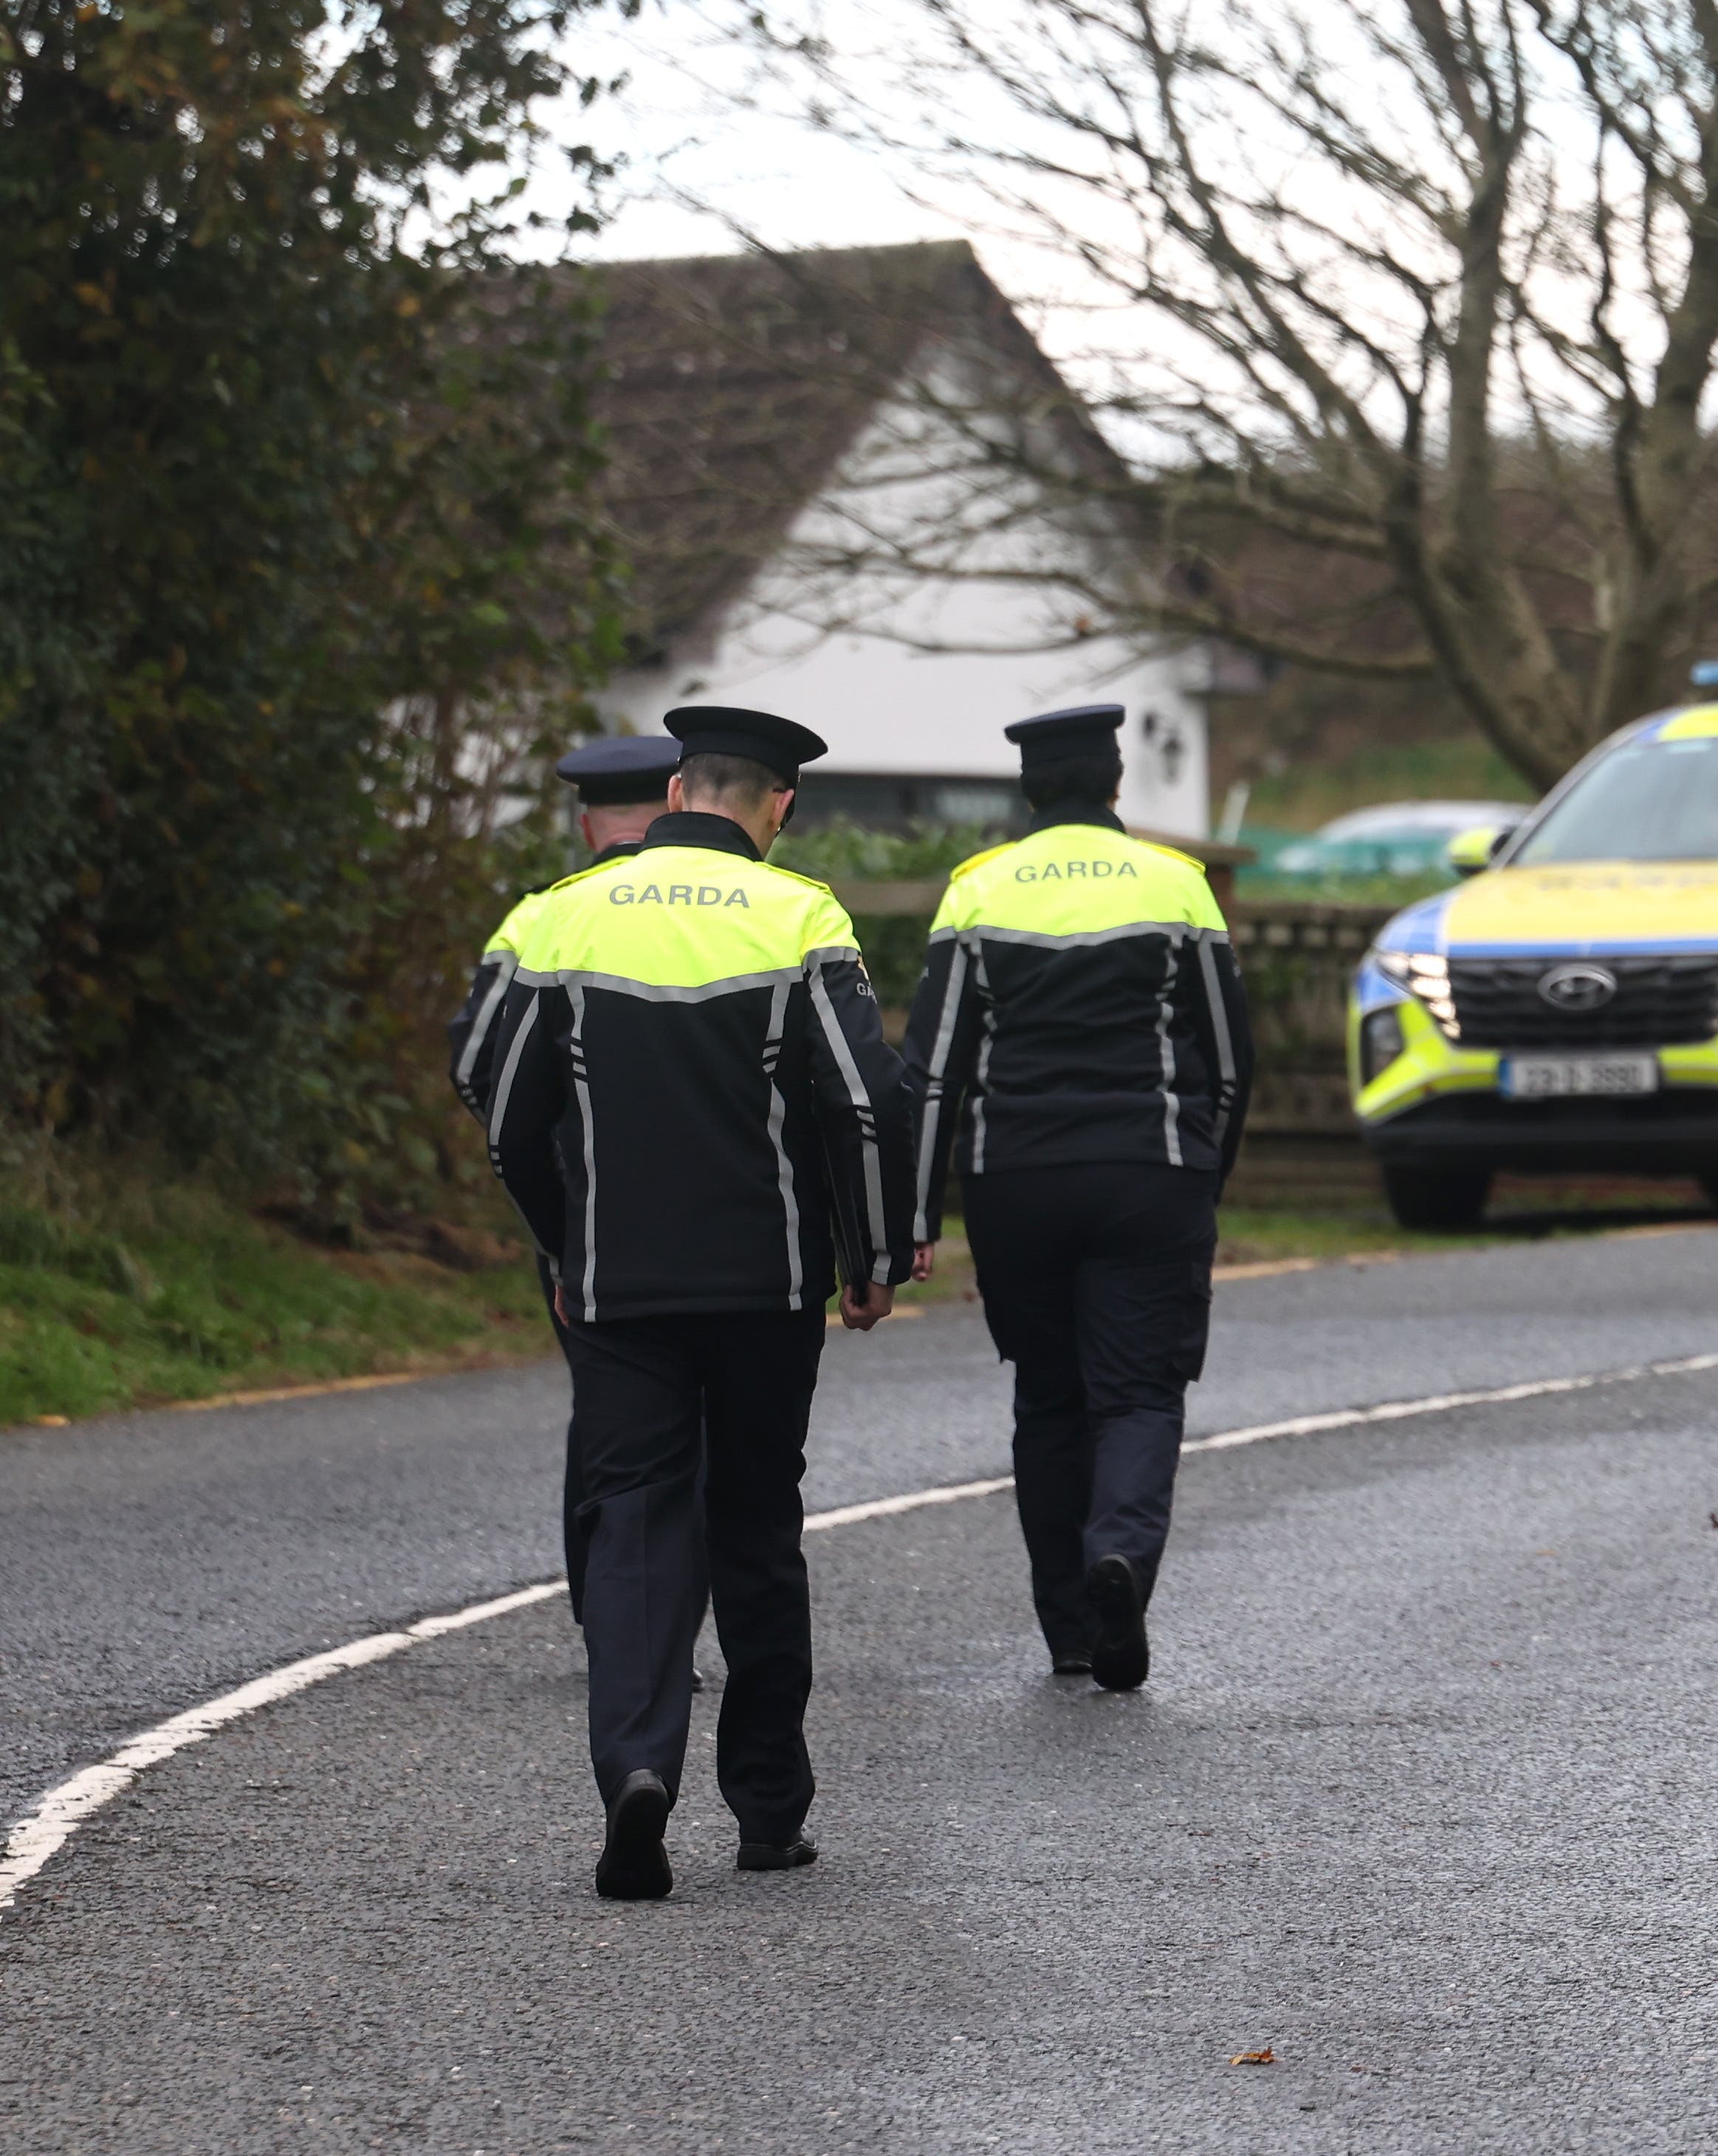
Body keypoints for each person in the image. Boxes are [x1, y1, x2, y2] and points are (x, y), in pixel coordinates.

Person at [455, 706, 918, 1901]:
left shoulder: (559, 915)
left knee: (634, 1513)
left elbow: (495, 1093)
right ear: (778, 805)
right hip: (766, 1286)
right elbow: (865, 1099)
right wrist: (874, 1250)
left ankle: (635, 1768)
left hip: (616, 1286)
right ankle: (767, 1810)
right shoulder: (799, 912)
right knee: (757, 1520)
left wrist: (565, 1236)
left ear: (673, 790)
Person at [907, 703, 1249, 1692]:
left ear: (1027, 791)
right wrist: (1203, 1171)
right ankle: (1122, 1563)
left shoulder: (977, 889)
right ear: (1113, 785)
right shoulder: (1176, 884)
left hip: (1012, 1177)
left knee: (1048, 1393)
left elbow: (932, 1069)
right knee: (1139, 1389)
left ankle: (1066, 1623)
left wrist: (917, 1213)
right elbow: (1229, 1057)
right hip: (1149, 1169)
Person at [445, 732, 681, 1612]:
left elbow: (476, 1065)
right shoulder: (728, 906)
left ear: (587, 827)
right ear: (682, 803)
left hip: (580, 1209)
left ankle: (607, 1607)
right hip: (721, 1200)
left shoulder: (541, 916)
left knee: (608, 1404)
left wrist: (551, 1162)